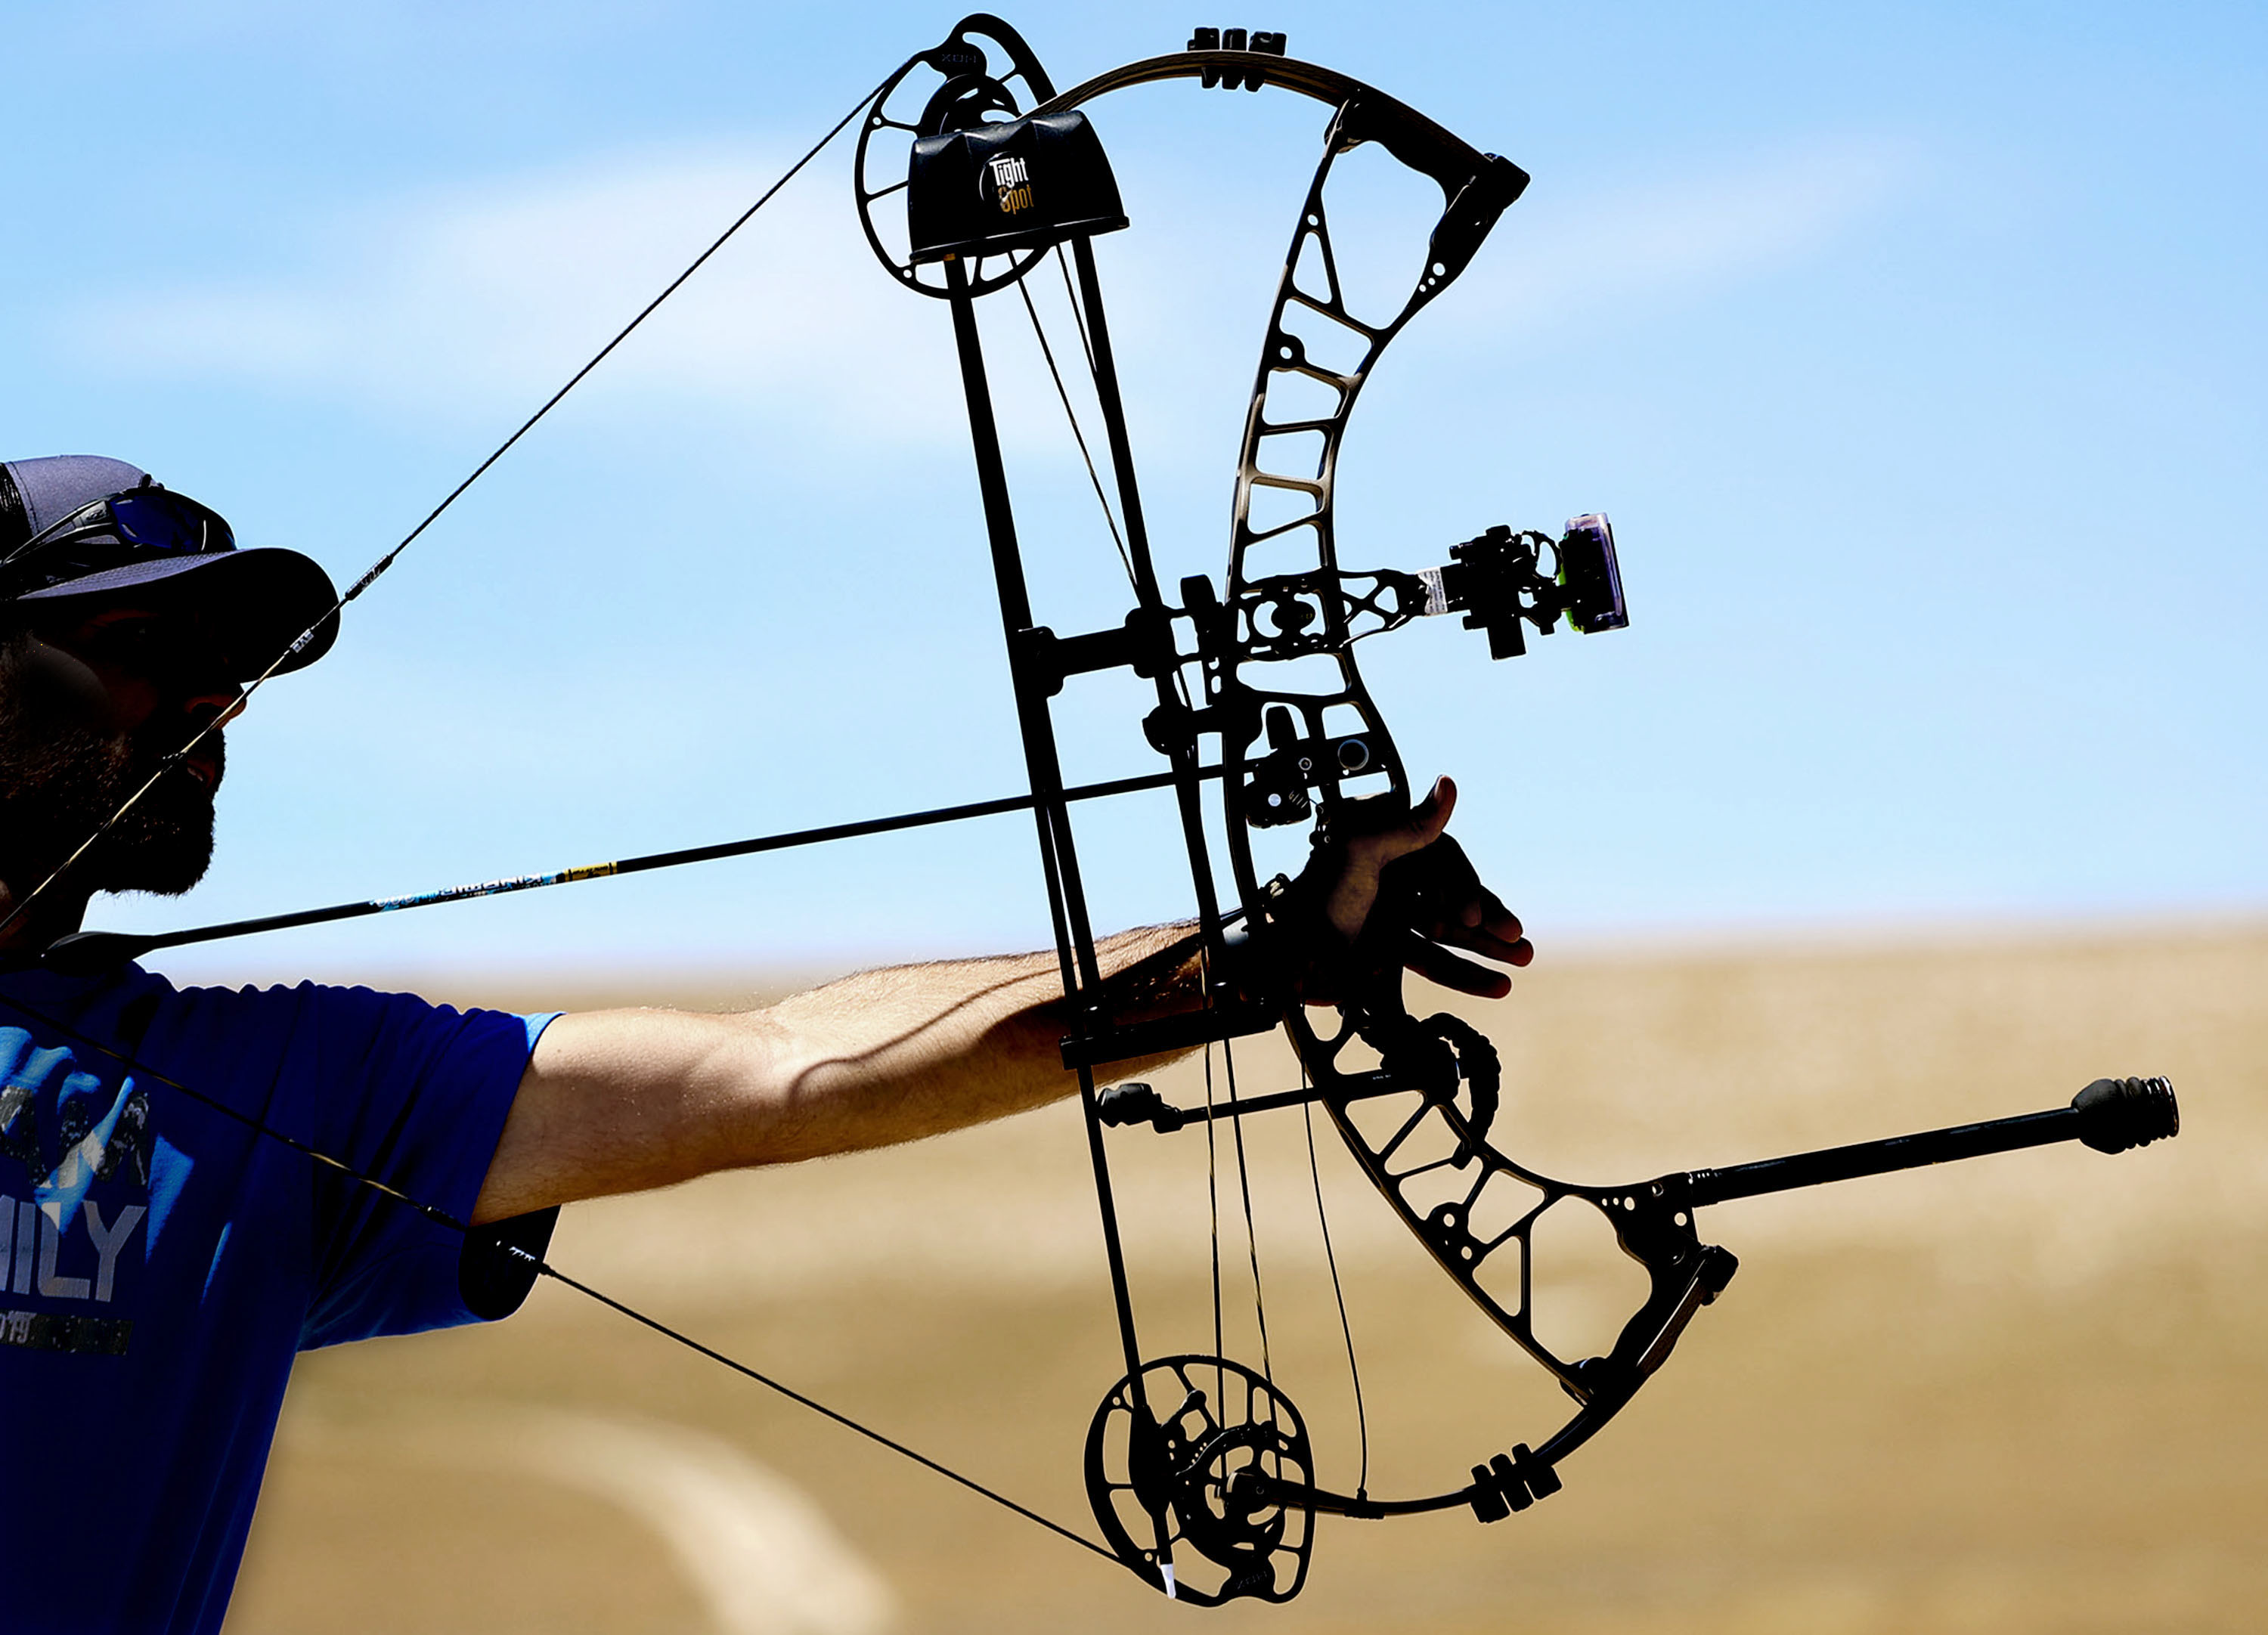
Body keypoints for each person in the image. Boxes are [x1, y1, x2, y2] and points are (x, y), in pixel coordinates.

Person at [0, 454, 1532, 1633]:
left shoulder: (269, 1093)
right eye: (149, 644)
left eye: (234, 669)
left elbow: (789, 1063)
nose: (215, 702)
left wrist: (1257, 956)